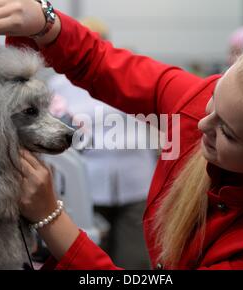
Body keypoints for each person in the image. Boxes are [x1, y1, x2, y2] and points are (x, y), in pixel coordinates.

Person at [0, 0, 243, 269]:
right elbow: (100, 63)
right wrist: (46, 22)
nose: (201, 125)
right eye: (213, 100)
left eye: (228, 133)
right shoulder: (197, 103)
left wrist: (50, 217)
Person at [47, 17, 155, 270]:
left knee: (135, 259)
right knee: (91, 256)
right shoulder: (58, 86)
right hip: (87, 184)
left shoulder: (128, 75)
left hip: (136, 181)